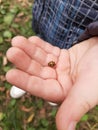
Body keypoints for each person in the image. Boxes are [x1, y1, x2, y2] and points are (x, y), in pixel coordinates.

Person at [6, 0, 98, 130]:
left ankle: (52, 86)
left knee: (51, 60)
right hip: (46, 17)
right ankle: (30, 75)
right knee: (37, 47)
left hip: (78, 40)